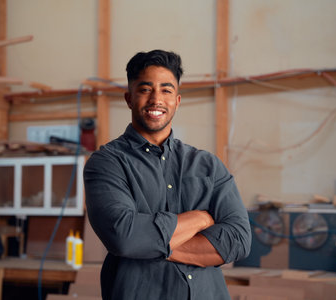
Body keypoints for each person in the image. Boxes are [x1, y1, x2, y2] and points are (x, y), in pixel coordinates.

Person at [83, 49, 251, 300]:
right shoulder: (107, 163)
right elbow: (125, 238)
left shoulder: (208, 165)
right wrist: (201, 219)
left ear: (178, 100)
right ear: (129, 98)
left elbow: (238, 240)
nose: (156, 99)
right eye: (145, 89)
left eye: (166, 90)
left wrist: (149, 243)